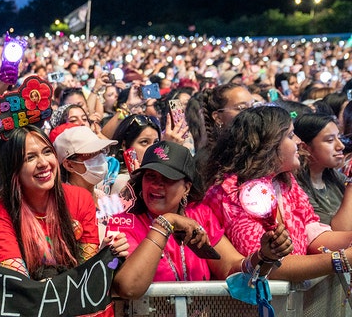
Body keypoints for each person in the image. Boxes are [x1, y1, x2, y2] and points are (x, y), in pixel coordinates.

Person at [109, 141, 292, 299]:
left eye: (168, 178)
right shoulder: (123, 222)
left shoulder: (200, 214)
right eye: (150, 176)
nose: (157, 185)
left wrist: (264, 256)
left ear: (187, 187)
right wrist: (165, 223)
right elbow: (129, 288)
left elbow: (230, 268)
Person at [204, 106, 352, 281]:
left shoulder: (284, 181)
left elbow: (312, 235)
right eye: (290, 135)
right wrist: (341, 260)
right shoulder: (232, 192)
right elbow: (269, 266)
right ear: (268, 145)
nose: (298, 141)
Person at [0, 125, 127, 281]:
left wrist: (104, 255)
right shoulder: (0, 214)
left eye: (47, 152)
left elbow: (86, 271)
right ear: (13, 169)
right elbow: (18, 281)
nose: (43, 163)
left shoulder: (80, 199)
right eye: (30, 157)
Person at [294, 113, 352, 229]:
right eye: (330, 140)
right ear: (305, 148)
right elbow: (339, 231)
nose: (341, 146)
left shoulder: (334, 176)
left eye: (339, 138)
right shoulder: (298, 188)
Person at [53, 125, 116, 200]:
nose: (100, 157)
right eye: (89, 154)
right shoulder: (66, 204)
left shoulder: (102, 197)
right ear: (69, 165)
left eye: (101, 150)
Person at [110, 114, 161, 194]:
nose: (152, 148)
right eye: (144, 142)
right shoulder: (122, 181)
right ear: (124, 145)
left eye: (156, 142)